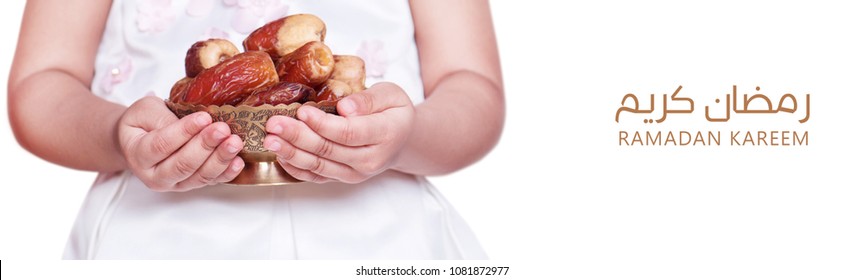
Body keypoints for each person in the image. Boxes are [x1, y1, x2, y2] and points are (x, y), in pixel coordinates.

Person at [8, 0, 503, 259]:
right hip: (153, 240)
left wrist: (406, 138)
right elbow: (41, 85)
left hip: (385, 239)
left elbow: (472, 89)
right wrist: (116, 132)